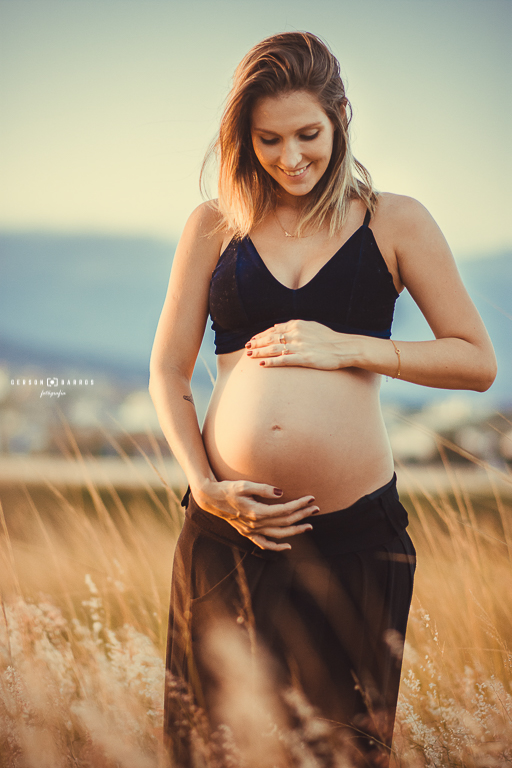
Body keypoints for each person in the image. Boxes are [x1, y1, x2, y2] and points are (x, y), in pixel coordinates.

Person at [149, 31, 496, 767]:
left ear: (341, 117)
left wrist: (350, 347)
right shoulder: (214, 225)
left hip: (354, 539)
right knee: (206, 749)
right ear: (244, 138)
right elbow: (169, 374)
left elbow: (476, 361)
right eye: (268, 139)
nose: (290, 157)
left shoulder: (394, 221)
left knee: (343, 752)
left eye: (308, 134)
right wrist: (205, 488)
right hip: (229, 531)